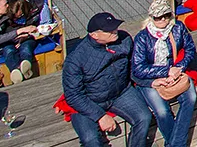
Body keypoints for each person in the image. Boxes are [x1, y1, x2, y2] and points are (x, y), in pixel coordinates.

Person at [62, 11, 152, 147]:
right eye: (109, 30)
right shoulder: (76, 59)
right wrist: (100, 116)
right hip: (90, 99)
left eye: (114, 27)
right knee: (90, 139)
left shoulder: (124, 40)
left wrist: (151, 82)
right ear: (94, 35)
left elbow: (133, 68)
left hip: (121, 92)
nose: (115, 31)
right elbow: (73, 95)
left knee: (144, 118)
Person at [131, 0, 197, 147]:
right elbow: (138, 68)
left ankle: (174, 144)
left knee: (191, 98)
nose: (162, 20)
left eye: (166, 15)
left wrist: (179, 67)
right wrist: (165, 71)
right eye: (157, 17)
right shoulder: (142, 37)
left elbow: (190, 49)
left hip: (175, 73)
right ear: (151, 18)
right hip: (151, 78)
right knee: (161, 111)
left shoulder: (178, 27)